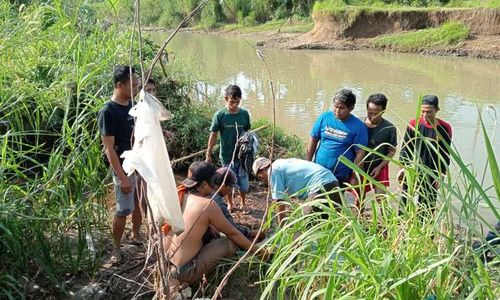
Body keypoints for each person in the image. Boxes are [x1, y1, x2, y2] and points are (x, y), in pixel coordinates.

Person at [166, 161, 258, 285]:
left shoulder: (182, 195)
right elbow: (233, 234)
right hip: (184, 273)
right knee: (230, 242)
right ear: (204, 184)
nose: (215, 185)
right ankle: (205, 281)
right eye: (213, 181)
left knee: (210, 231)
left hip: (165, 267)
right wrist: (259, 251)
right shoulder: (208, 205)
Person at [98, 65, 141, 263]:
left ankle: (136, 234)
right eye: (133, 84)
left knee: (141, 202)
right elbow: (109, 148)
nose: (137, 87)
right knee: (123, 209)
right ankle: (116, 248)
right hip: (123, 167)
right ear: (119, 85)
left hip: (140, 162)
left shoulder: (134, 105)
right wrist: (122, 178)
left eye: (138, 83)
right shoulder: (108, 111)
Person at [399, 95, 452, 215]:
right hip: (413, 168)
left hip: (432, 171)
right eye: (423, 111)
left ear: (437, 110)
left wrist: (441, 173)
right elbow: (406, 148)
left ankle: (425, 227)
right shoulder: (414, 124)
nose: (425, 115)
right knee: (405, 199)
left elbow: (445, 153)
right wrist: (403, 168)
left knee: (427, 204)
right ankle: (401, 225)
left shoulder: (444, 128)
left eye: (429, 112)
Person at [306, 89, 368, 186]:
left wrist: (356, 176)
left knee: (335, 199)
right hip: (319, 170)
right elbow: (313, 139)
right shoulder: (324, 117)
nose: (337, 111)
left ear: (351, 108)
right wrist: (307, 163)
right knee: (316, 198)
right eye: (335, 107)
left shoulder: (358, 127)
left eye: (342, 108)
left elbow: (360, 152)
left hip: (341, 175)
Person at [252, 157, 340, 225]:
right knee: (324, 222)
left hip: (320, 184)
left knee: (305, 223)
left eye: (260, 176)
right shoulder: (281, 163)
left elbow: (279, 200)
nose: (262, 179)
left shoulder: (273, 170)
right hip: (332, 181)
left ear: (263, 168)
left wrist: (281, 223)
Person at [206, 85, 251, 212]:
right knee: (228, 181)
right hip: (226, 155)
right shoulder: (220, 115)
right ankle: (230, 204)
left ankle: (243, 203)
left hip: (242, 156)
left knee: (243, 182)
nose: (234, 105)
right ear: (226, 99)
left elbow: (247, 132)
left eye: (237, 102)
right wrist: (208, 153)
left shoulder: (244, 114)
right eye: (232, 102)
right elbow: (214, 134)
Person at [356, 93, 397, 209]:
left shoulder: (389, 128)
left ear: (383, 111)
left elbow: (392, 151)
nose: (372, 116)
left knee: (381, 198)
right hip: (359, 165)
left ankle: (386, 222)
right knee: (358, 196)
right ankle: (359, 218)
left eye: (376, 113)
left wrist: (379, 167)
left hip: (379, 165)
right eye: (370, 112)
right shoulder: (358, 124)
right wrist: (357, 166)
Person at [211, 167, 262, 240]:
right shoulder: (217, 201)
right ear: (223, 184)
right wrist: (252, 233)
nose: (230, 191)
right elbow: (231, 229)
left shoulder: (208, 189)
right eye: (230, 187)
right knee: (232, 244)